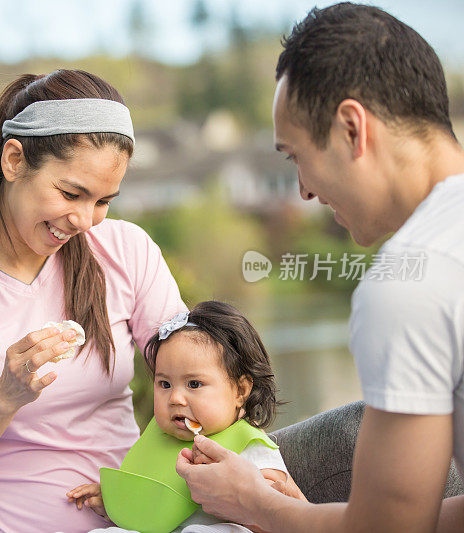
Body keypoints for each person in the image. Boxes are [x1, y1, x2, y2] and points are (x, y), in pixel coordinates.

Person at [175, 4, 464, 532]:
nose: (303, 189)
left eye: (297, 156)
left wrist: (255, 504)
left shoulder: (413, 282)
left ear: (353, 128)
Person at [0, 69, 186, 532]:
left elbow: (200, 380)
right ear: (14, 160)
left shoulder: (125, 251)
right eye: (71, 193)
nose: (86, 219)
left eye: (104, 201)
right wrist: (4, 397)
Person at [68, 301, 289, 532]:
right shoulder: (159, 436)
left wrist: (240, 500)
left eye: (194, 384)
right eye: (165, 384)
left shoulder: (251, 445)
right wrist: (115, 502)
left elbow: (274, 517)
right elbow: (152, 505)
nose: (175, 398)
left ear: (240, 391)